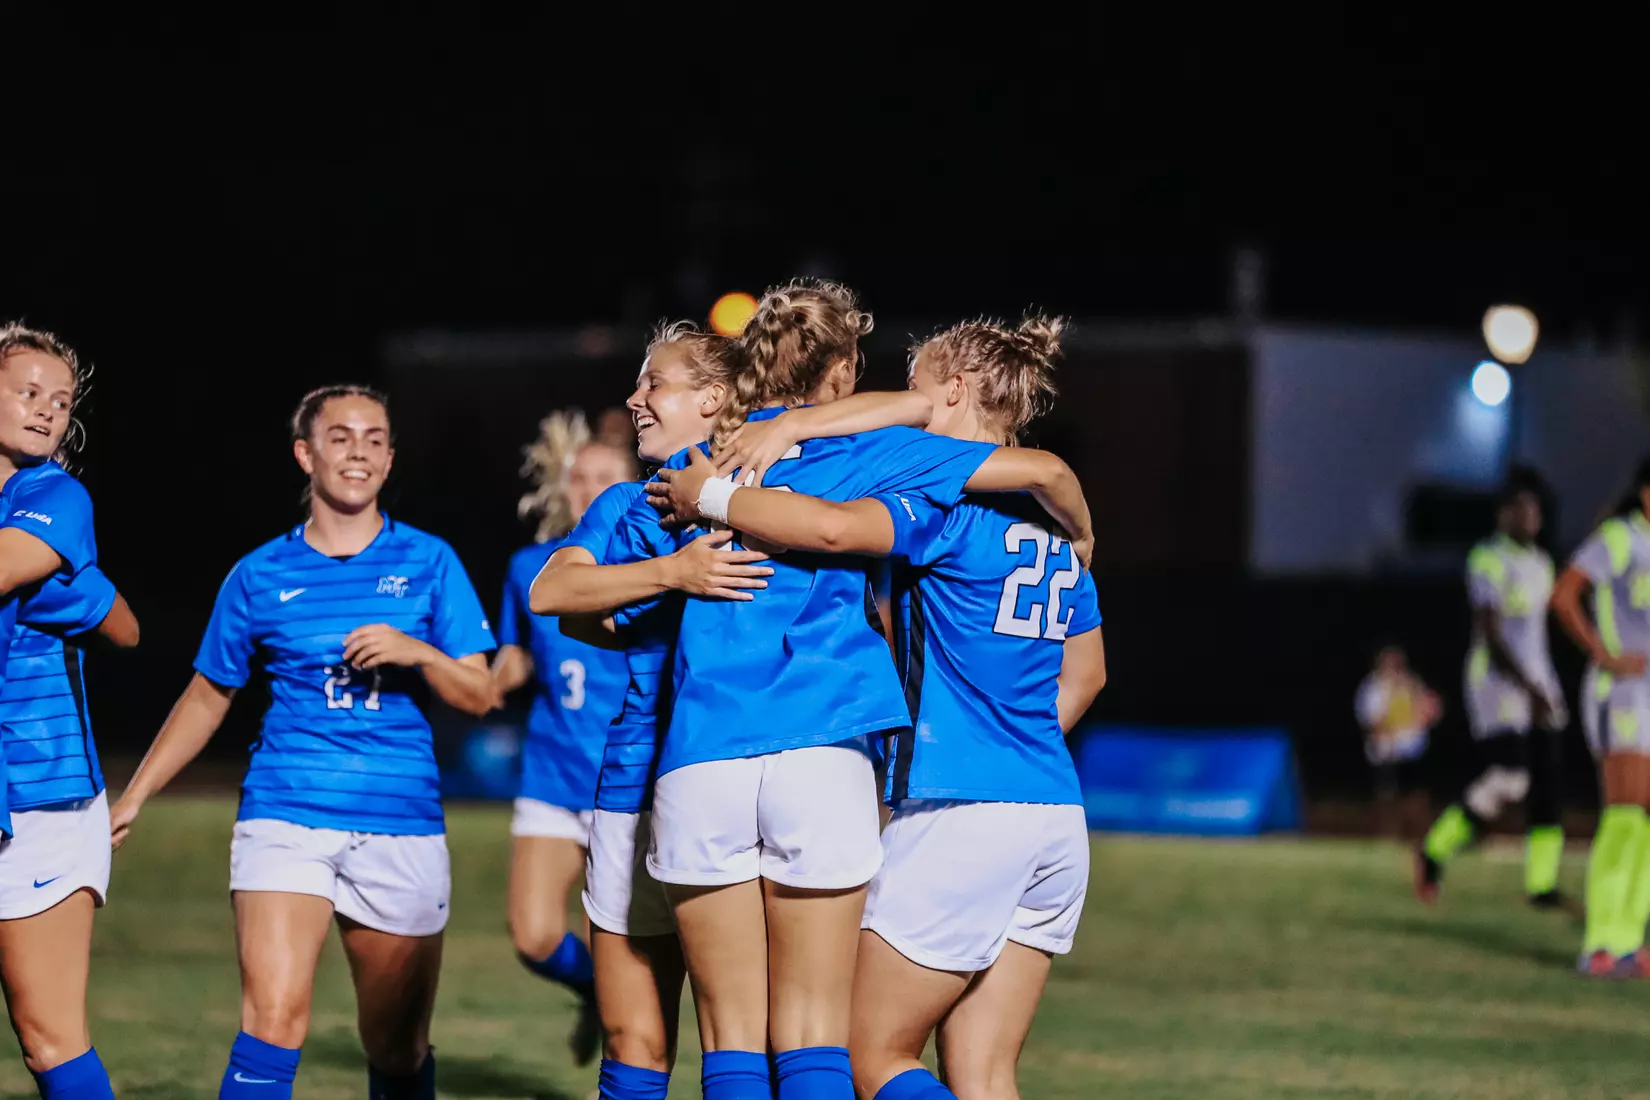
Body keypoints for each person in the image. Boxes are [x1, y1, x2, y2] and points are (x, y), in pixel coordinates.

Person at [606, 280, 1094, 1100]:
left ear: (955, 392)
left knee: (830, 1052)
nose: (897, 401)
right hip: (1041, 804)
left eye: (913, 385)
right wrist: (1082, 529)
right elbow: (1089, 672)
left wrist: (725, 487)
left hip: (889, 787)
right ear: (841, 372)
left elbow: (830, 527)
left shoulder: (912, 496)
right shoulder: (1032, 526)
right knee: (970, 1069)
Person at [110, 384, 496, 1099]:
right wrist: (135, 794)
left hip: (399, 821)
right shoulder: (259, 574)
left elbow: (481, 694)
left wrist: (419, 652)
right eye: (341, 436)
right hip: (285, 809)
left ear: (390, 457)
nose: (360, 452)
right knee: (274, 1020)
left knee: (396, 1046)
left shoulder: (431, 562)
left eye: (375, 439)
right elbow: (208, 695)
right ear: (305, 453)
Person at [531, 321, 774, 1100]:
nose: (634, 398)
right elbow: (552, 592)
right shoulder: (624, 506)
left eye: (653, 383)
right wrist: (673, 573)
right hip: (633, 783)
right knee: (635, 1036)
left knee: (748, 1036)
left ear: (711, 399)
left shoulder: (780, 491)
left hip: (744, 781)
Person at [0, 323, 138, 1100]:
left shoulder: (55, 495)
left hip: (42, 798)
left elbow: (125, 624)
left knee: (48, 1039)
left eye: (61, 402)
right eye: (29, 392)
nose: (49, 411)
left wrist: (87, 598)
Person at [492, 409, 636, 1064]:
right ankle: (594, 994)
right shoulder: (531, 567)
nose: (590, 490)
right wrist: (470, 672)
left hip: (628, 781)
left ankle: (620, 1046)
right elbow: (515, 660)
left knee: (614, 945)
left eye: (607, 477)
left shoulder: (659, 560)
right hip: (552, 772)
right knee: (532, 935)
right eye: (581, 478)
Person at [1416, 472, 1568, 906]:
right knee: (1509, 780)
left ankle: (1542, 885)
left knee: (1548, 785)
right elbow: (1491, 633)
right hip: (1497, 683)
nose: (1530, 518)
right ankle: (1433, 850)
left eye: (1535, 510)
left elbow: (1535, 632)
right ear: (1503, 514)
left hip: (1539, 681)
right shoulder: (1487, 558)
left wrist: (1543, 685)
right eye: (1521, 509)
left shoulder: (1542, 562)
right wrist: (1528, 688)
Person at [1551, 456, 1650, 976]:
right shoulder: (1620, 538)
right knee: (1625, 813)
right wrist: (1601, 651)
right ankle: (1600, 942)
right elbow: (1564, 594)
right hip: (1624, 692)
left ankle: (1631, 940)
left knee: (1646, 820)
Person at [1354, 645, 1440, 841]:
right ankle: (1386, 834)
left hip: (1412, 750)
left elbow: (1429, 712)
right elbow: (1371, 722)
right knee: (1387, 795)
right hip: (1386, 752)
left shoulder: (1412, 684)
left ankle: (1417, 834)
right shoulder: (1372, 688)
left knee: (1416, 794)